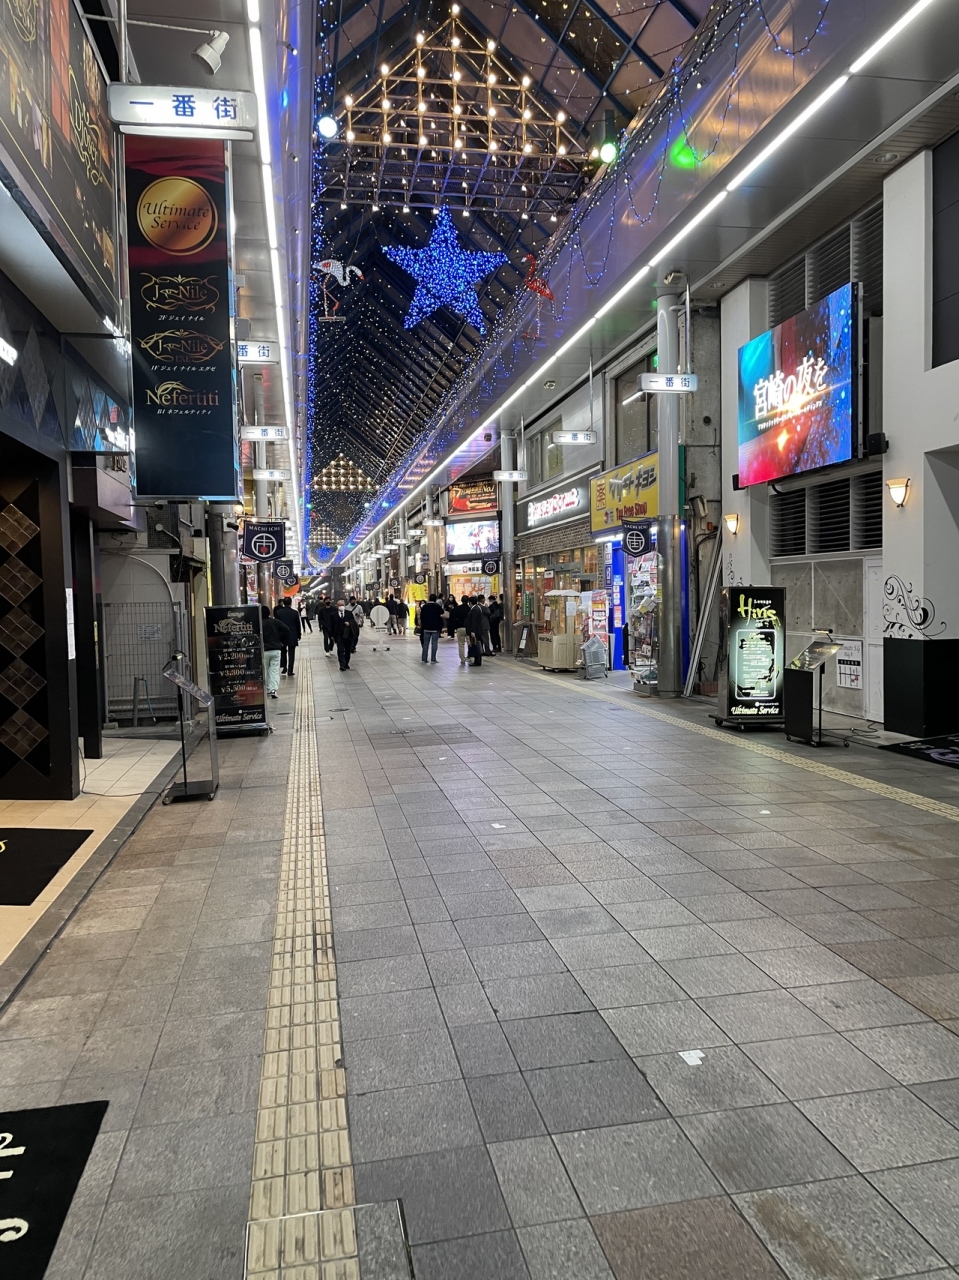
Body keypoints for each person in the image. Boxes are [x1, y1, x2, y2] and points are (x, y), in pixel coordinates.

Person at [261, 605, 286, 699]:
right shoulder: (275, 621)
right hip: (276, 649)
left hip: (264, 650)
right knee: (274, 670)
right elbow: (287, 630)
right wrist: (280, 639)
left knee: (265, 670)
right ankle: (273, 690)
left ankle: (267, 689)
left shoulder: (259, 624)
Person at [330, 598, 360, 670]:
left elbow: (353, 623)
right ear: (337, 606)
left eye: (342, 605)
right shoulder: (333, 615)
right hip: (338, 635)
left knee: (347, 650)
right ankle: (342, 664)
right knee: (340, 649)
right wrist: (331, 635)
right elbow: (331, 626)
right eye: (339, 605)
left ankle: (346, 663)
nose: (341, 606)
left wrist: (349, 623)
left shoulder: (349, 613)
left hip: (348, 635)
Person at [274, 598, 301, 676]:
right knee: (291, 652)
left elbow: (277, 625)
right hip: (292, 634)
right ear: (290, 603)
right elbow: (297, 624)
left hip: (282, 635)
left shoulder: (278, 612)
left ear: (283, 603)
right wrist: (299, 634)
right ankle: (290, 670)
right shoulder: (295, 613)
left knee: (283, 651)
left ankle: (284, 667)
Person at [419, 594, 445, 663]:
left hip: (426, 627)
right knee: (434, 644)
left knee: (425, 644)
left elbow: (421, 617)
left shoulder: (425, 607)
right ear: (435, 599)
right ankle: (433, 659)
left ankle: (424, 658)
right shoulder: (437, 606)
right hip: (435, 628)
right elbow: (442, 612)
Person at [451, 595, 470, 665]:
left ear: (461, 600)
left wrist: (456, 627)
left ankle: (462, 658)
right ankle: (470, 656)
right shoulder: (470, 609)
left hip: (459, 628)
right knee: (469, 643)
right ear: (468, 601)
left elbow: (453, 618)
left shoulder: (457, 608)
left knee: (461, 644)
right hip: (468, 628)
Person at [466, 596, 485, 667]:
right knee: (476, 644)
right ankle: (477, 660)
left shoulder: (475, 609)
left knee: (476, 645)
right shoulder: (477, 608)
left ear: (470, 602)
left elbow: (474, 621)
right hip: (477, 630)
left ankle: (477, 661)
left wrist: (473, 631)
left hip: (476, 631)